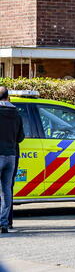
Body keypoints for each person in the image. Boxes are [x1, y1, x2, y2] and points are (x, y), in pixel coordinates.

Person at [0, 87, 24, 234]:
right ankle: (4, 223)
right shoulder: (16, 114)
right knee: (6, 190)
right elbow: (20, 138)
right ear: (8, 98)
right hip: (11, 156)